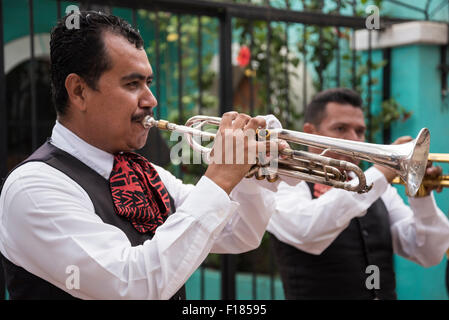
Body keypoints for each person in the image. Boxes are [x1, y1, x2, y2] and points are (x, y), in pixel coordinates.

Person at [0, 11, 285, 300]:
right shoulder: (34, 187)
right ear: (79, 91)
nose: (151, 100)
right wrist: (220, 176)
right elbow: (132, 286)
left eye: (148, 82)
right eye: (132, 84)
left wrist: (255, 172)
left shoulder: (147, 173)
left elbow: (240, 233)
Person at [267, 88, 449, 300]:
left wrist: (422, 198)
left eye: (360, 131)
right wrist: (383, 171)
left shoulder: (380, 189)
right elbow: (307, 230)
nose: (354, 139)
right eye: (341, 128)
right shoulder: (283, 184)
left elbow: (429, 253)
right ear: (310, 132)